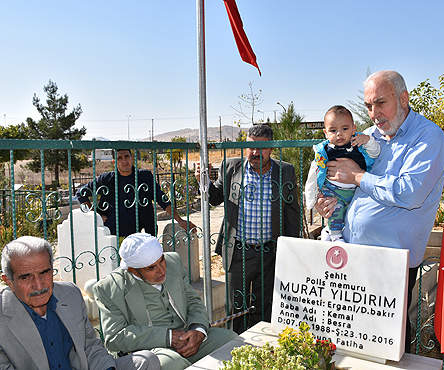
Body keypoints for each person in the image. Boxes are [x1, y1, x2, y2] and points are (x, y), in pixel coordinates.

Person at [314, 70, 444, 352]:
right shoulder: (369, 137)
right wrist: (329, 202)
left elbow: (409, 193)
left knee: (387, 340)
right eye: (368, 106)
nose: (374, 113)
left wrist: (357, 177)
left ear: (403, 98)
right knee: (351, 336)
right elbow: (344, 183)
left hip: (390, 260)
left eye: (380, 103)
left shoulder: (428, 137)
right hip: (349, 251)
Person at [195, 125, 301, 334]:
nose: (254, 153)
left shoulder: (285, 171)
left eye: (261, 148)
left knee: (265, 306)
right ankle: (235, 347)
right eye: (250, 147)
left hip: (269, 252)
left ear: (271, 148)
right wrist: (203, 181)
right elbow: (216, 198)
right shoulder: (230, 167)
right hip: (238, 252)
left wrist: (291, 250)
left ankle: (261, 345)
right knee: (236, 307)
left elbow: (292, 213)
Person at [0, 236, 159, 370]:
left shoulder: (70, 294)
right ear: (9, 281)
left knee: (146, 360)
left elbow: (91, 347)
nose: (39, 285)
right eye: (25, 277)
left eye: (44, 273)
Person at [93, 233, 237, 370]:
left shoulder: (173, 261)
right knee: (172, 364)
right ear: (133, 271)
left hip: (187, 335)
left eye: (161, 260)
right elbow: (114, 337)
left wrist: (198, 330)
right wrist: (167, 337)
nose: (161, 270)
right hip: (150, 350)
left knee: (232, 342)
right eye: (151, 268)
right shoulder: (110, 288)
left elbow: (193, 300)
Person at [77, 149, 195, 237]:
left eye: (126, 156)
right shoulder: (106, 179)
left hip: (143, 232)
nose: (124, 161)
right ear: (114, 161)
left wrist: (179, 220)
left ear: (132, 157)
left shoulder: (144, 176)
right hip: (116, 233)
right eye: (120, 158)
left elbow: (162, 199)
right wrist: (96, 215)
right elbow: (81, 193)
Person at [305, 105, 380, 242]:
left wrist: (368, 140)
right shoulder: (324, 151)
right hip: (333, 191)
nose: (339, 133)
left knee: (350, 215)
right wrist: (311, 199)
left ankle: (328, 231)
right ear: (325, 133)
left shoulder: (358, 144)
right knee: (335, 210)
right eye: (333, 130)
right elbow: (313, 173)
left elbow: (375, 153)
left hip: (355, 191)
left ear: (353, 129)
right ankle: (335, 236)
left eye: (345, 128)